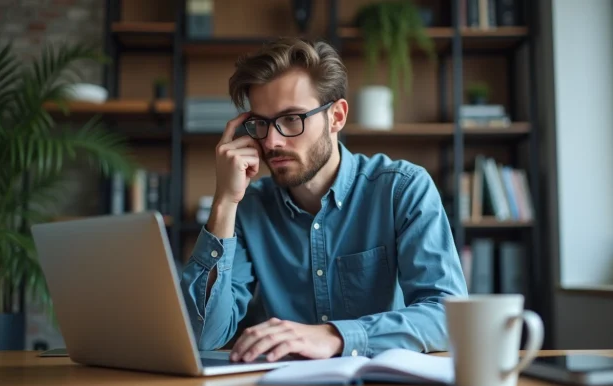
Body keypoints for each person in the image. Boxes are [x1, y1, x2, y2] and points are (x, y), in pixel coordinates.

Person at [179, 37, 468, 364]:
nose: (271, 142)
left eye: (291, 119)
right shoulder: (247, 209)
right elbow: (202, 337)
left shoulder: (402, 189)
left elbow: (447, 316)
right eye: (260, 123)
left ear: (336, 117)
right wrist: (224, 202)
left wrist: (334, 335)